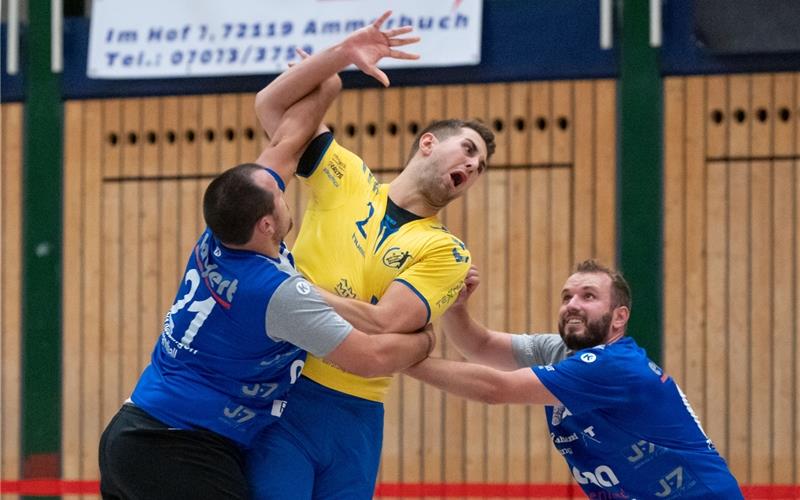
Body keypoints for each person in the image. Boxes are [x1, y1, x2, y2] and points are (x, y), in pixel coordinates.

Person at [97, 74, 436, 499]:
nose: (284, 192)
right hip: (181, 446)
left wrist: (329, 81)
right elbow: (369, 358)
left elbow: (286, 144)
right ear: (267, 224)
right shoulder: (276, 293)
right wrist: (424, 340)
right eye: (279, 197)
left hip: (132, 432)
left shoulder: (218, 236)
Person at [245, 11, 496, 499]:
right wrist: (336, 60)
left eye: (480, 165)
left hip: (357, 418)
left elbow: (383, 325)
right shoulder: (346, 176)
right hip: (286, 392)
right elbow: (270, 106)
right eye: (466, 149)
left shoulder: (447, 252)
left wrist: (287, 288)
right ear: (428, 144)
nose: (472, 163)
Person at [403, 259, 743, 498]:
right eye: (567, 296)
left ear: (619, 317)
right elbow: (480, 346)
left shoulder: (614, 366)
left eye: (589, 296)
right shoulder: (560, 351)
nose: (572, 304)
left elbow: (496, 389)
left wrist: (398, 358)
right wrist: (454, 305)